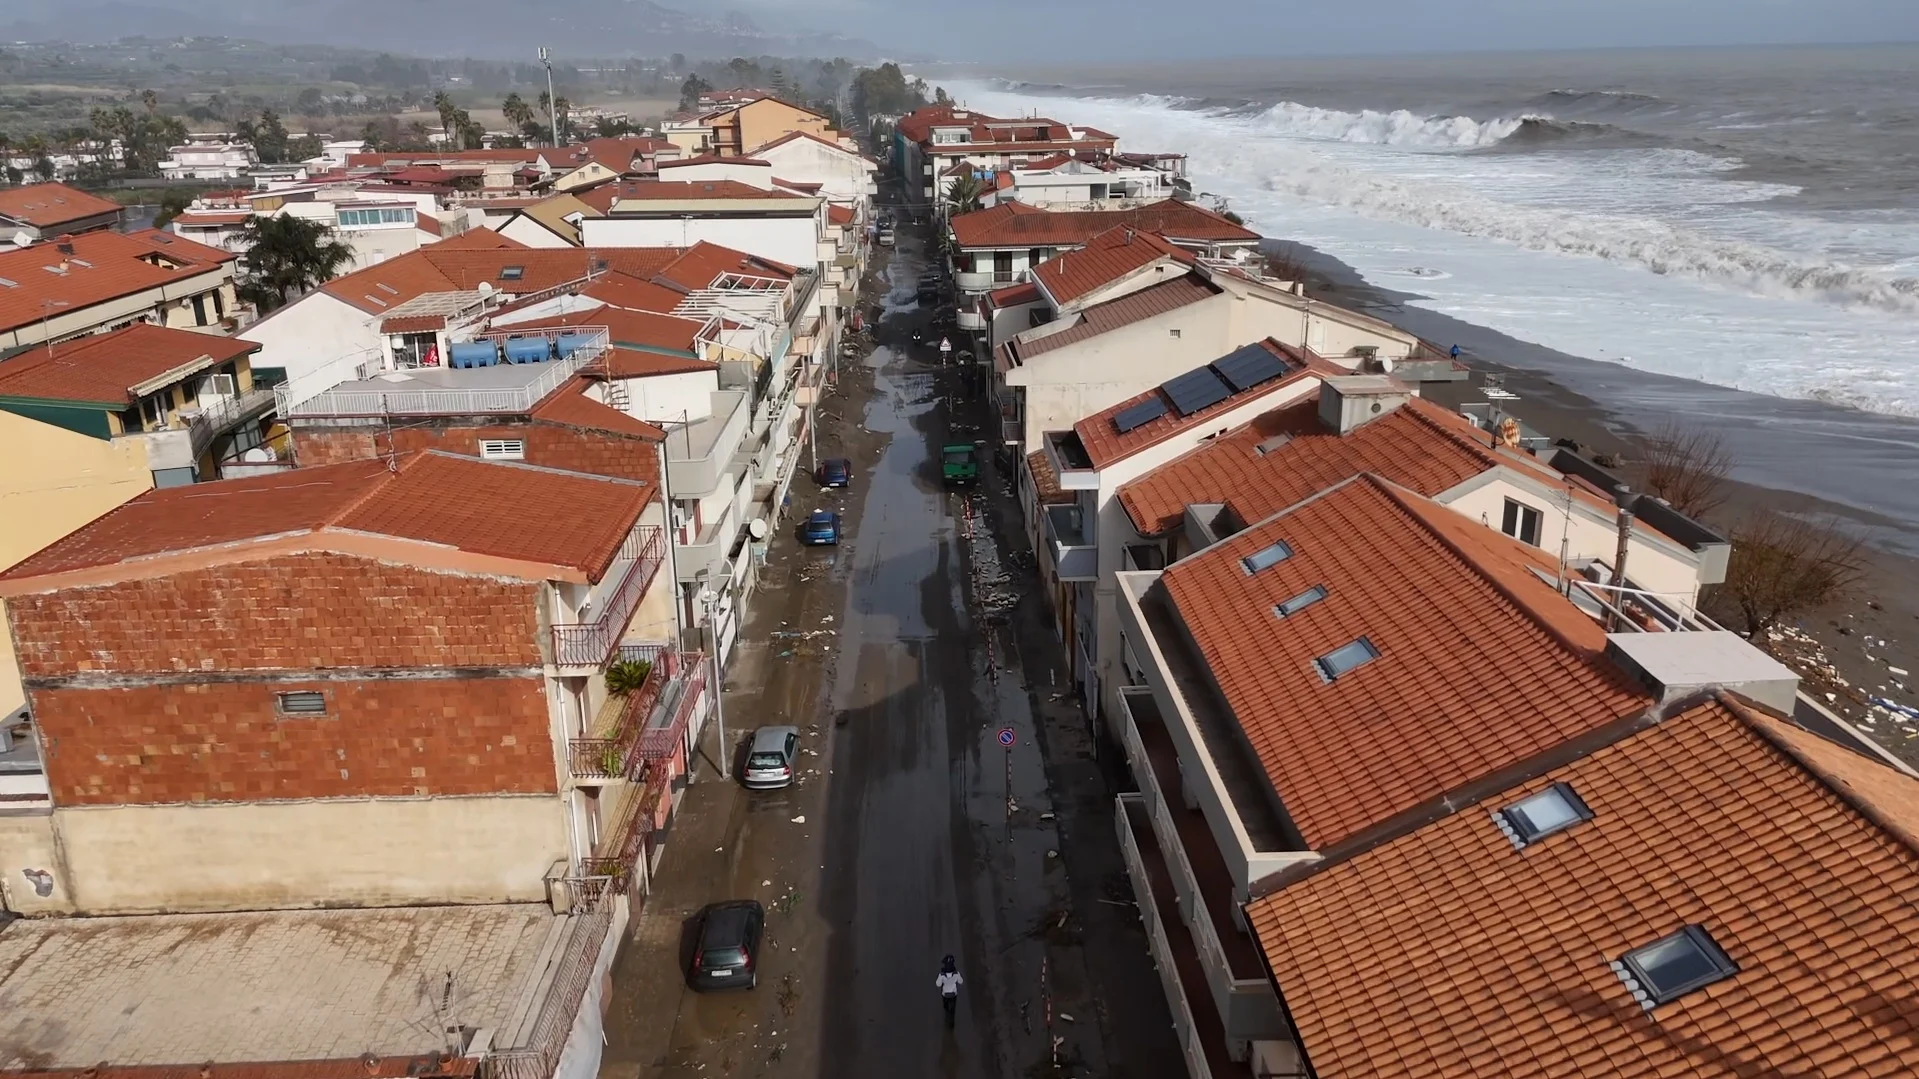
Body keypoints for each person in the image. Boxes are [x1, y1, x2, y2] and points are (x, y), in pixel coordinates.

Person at [936, 955, 963, 1026]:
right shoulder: (956, 973)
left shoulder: (942, 975)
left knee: (946, 1007)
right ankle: (952, 1022)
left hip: (945, 994)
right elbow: (961, 982)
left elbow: (938, 984)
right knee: (953, 1009)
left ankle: (947, 1015)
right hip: (954, 994)